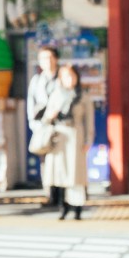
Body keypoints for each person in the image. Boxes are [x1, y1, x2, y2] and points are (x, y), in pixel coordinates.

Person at [39, 64, 92, 222]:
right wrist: (51, 115)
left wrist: (89, 140)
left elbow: (89, 120)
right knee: (60, 175)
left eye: (72, 76)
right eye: (66, 76)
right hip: (59, 137)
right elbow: (45, 118)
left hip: (76, 137)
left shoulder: (82, 96)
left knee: (76, 175)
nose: (70, 80)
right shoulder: (56, 95)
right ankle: (63, 207)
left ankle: (77, 209)